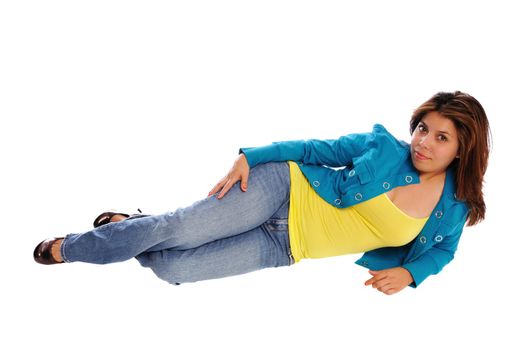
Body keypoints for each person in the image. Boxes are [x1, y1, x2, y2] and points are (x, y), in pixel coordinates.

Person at [33, 90, 491, 295]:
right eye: (423, 129)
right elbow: (318, 148)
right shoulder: (384, 147)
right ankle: (70, 248)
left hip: (286, 246)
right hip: (281, 190)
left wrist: (412, 275)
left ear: (462, 149)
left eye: (441, 138)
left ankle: (135, 228)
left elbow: (444, 251)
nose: (423, 142)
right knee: (177, 228)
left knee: (173, 268)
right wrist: (252, 156)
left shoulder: (454, 208)